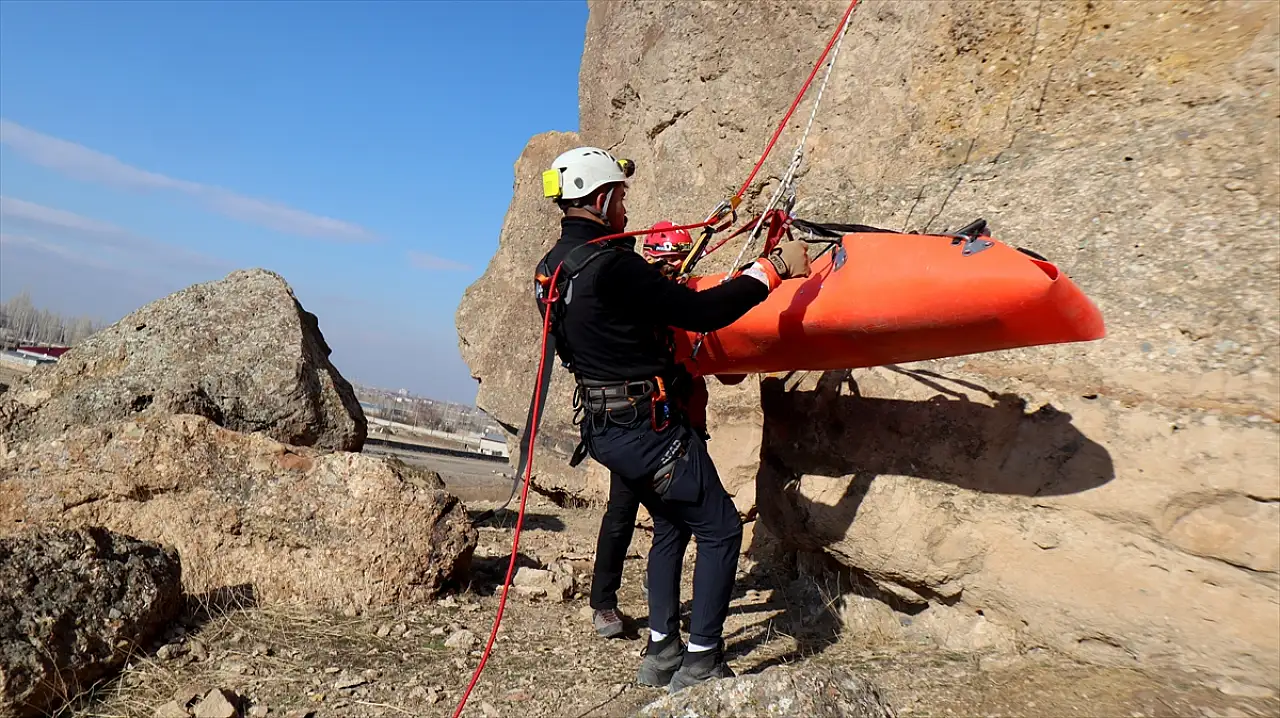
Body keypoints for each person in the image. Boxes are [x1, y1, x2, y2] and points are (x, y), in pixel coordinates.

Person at [534, 146, 810, 692]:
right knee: (721, 529)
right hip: (647, 429)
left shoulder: (553, 269)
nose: (625, 209)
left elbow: (608, 328)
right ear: (600, 198)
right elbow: (704, 313)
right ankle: (702, 660)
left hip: (606, 428)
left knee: (671, 525)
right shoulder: (613, 265)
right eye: (620, 198)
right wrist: (772, 269)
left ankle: (662, 652)